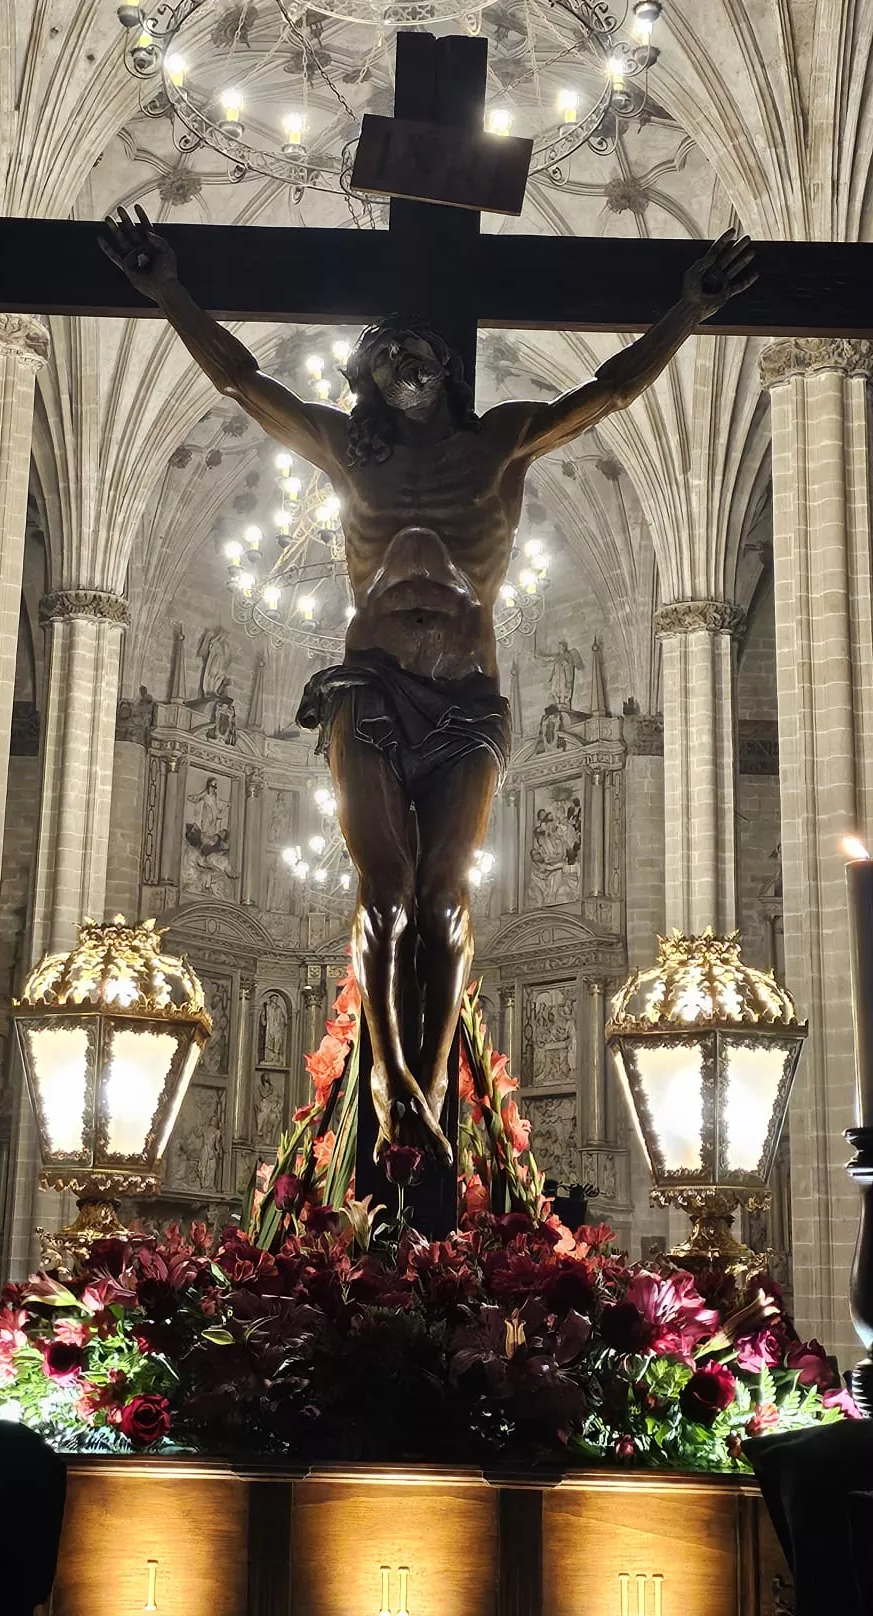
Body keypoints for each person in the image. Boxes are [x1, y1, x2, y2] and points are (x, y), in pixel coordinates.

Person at [100, 207, 755, 1160]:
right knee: (384, 890)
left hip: (468, 696)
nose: (408, 363)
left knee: (445, 893)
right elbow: (241, 383)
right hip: (366, 684)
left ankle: (432, 1088)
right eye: (389, 355)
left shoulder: (499, 444)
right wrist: (167, 289)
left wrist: (688, 309)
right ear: (368, 376)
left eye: (421, 350)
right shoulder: (345, 450)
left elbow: (610, 391)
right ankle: (386, 1080)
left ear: (446, 364)